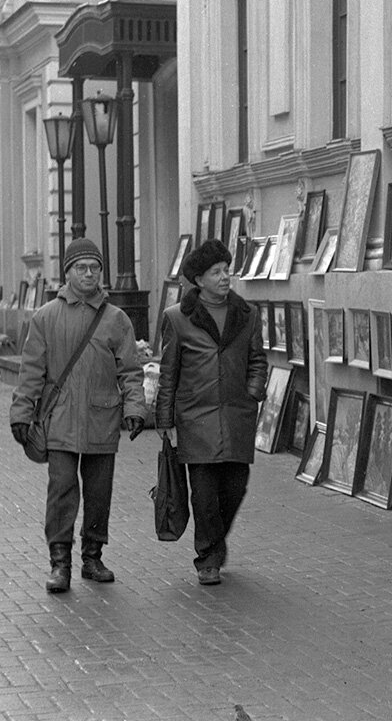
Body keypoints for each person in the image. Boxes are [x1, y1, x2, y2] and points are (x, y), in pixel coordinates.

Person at [10, 238, 146, 594]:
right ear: (67, 272)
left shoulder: (117, 320)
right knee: (62, 491)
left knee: (100, 492)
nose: (89, 274)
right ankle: (60, 563)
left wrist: (134, 408)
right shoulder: (46, 317)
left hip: (103, 417)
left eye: (95, 268)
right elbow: (31, 372)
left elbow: (130, 370)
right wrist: (21, 414)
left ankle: (92, 557)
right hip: (60, 418)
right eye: (81, 268)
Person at [155, 239, 267, 586]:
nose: (224, 277)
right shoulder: (177, 319)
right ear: (199, 280)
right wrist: (165, 419)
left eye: (226, 270)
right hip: (196, 418)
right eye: (216, 272)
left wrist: (252, 394)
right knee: (203, 494)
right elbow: (169, 371)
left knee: (235, 486)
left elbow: (258, 361)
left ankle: (214, 544)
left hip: (236, 416)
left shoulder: (247, 315)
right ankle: (208, 557)